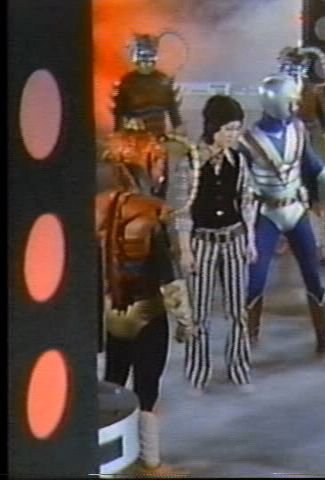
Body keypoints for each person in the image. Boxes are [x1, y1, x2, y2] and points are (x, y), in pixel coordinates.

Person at [239, 73, 325, 358]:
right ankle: (248, 340)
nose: (296, 106)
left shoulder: (297, 129)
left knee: (313, 277)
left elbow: (314, 165)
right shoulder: (248, 141)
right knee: (256, 281)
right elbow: (240, 184)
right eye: (291, 101)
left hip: (296, 210)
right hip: (266, 212)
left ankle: (322, 342)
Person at [96, 159, 196, 476]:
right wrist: (185, 321)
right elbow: (169, 278)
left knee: (113, 382)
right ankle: (150, 462)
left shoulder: (100, 218)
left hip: (114, 313)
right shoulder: (150, 219)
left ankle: (105, 459)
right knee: (147, 388)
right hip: (148, 313)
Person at [174, 95, 257, 393]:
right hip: (203, 242)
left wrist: (250, 240)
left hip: (234, 239)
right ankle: (198, 373)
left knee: (238, 311)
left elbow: (247, 201)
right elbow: (182, 211)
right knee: (200, 313)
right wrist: (186, 250)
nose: (234, 135)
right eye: (228, 129)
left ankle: (239, 369)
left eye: (237, 129)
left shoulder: (239, 161)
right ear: (213, 127)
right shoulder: (191, 162)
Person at [278, 45, 325, 264]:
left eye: (294, 65)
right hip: (285, 144)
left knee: (315, 196)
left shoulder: (317, 91)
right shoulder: (277, 90)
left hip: (311, 143)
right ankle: (288, 238)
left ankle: (320, 244)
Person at [111, 33, 186, 199]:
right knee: (136, 180)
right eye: (143, 61)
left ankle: (158, 208)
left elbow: (171, 107)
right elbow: (119, 112)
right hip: (135, 139)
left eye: (150, 61)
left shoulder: (162, 80)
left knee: (160, 179)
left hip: (159, 137)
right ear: (136, 61)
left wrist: (178, 126)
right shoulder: (127, 82)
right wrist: (118, 135)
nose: (146, 65)